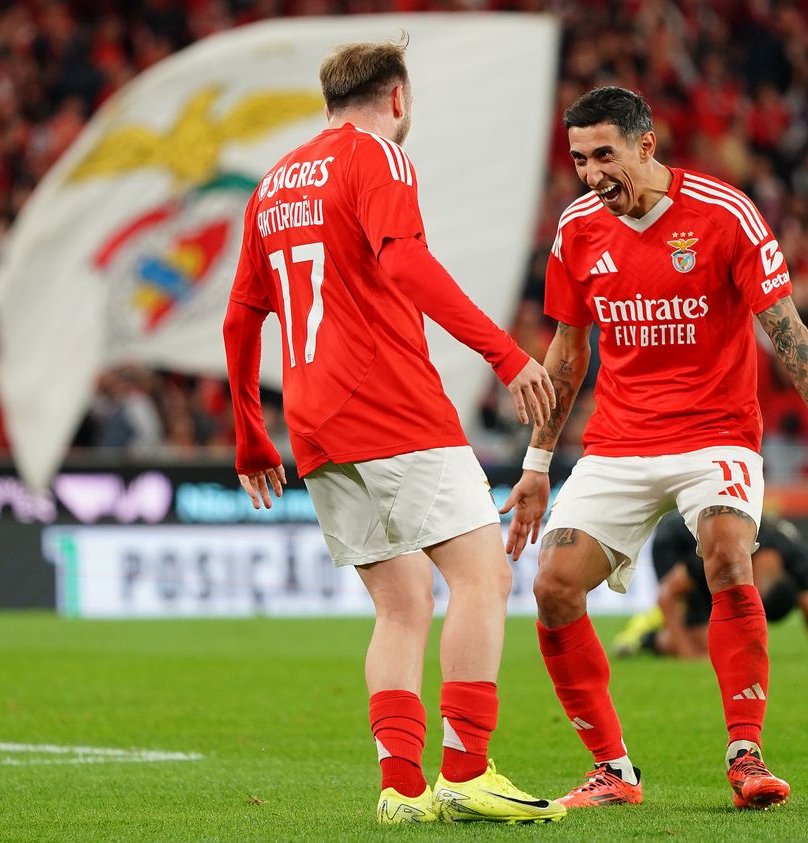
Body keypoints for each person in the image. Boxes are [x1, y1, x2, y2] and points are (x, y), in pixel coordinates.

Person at [500, 86, 808, 811]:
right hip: (619, 439)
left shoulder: (723, 213)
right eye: (580, 158)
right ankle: (613, 769)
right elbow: (567, 353)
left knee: (726, 551)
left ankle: (746, 754)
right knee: (552, 585)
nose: (590, 173)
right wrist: (534, 464)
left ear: (647, 145)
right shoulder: (578, 228)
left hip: (715, 432)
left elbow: (790, 335)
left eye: (604, 155)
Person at [222, 39, 566, 825]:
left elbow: (243, 317)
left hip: (315, 423)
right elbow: (405, 261)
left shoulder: (272, 186)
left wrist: (250, 432)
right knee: (484, 574)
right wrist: (507, 355)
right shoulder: (380, 156)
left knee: (403, 600)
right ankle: (468, 770)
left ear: (327, 100)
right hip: (391, 404)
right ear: (397, 100)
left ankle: (402, 788)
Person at [612, 512, 808, 660]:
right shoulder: (728, 551)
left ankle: (669, 630)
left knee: (714, 647)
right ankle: (642, 636)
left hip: (713, 542)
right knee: (701, 644)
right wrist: (687, 655)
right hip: (677, 539)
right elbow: (667, 595)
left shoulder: (799, 563)